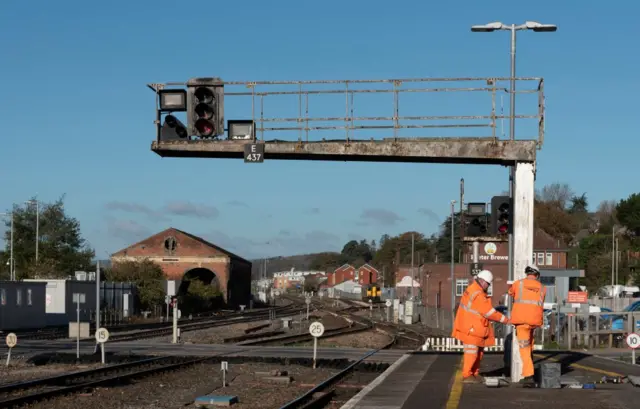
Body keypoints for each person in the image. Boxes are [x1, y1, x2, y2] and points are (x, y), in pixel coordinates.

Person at [452, 270, 510, 383]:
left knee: (477, 353)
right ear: (483, 281)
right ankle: (468, 374)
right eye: (488, 284)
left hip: (472, 327)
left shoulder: (473, 290)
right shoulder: (478, 294)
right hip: (473, 328)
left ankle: (473, 373)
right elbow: (489, 312)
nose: (488, 286)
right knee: (472, 352)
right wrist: (506, 320)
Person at [507, 265, 546, 383]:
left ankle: (529, 375)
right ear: (537, 275)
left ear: (526, 273)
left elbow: (510, 293)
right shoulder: (543, 287)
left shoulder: (518, 284)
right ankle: (530, 371)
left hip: (521, 321)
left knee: (524, 348)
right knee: (529, 346)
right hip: (534, 321)